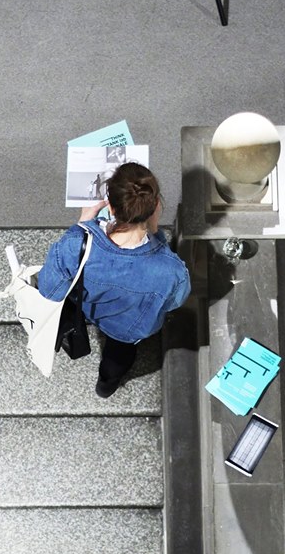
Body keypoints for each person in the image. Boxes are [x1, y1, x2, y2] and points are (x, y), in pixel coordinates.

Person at [38, 162, 191, 397]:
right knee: (118, 357)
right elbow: (174, 302)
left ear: (110, 207)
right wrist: (155, 231)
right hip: (128, 330)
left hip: (89, 310)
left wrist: (81, 225)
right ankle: (105, 387)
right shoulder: (171, 271)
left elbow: (50, 290)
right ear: (156, 206)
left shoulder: (75, 245)